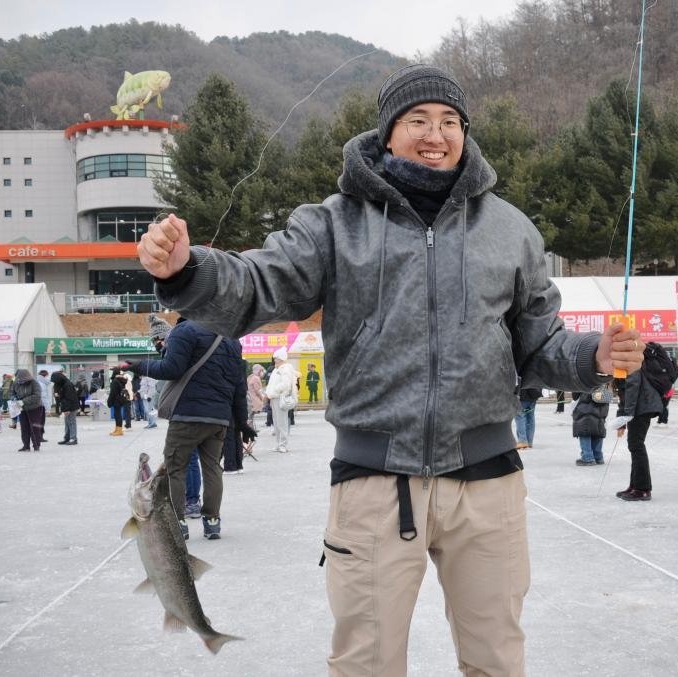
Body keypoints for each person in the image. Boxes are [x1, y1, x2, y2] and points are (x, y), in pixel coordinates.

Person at [136, 63, 643, 674]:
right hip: (373, 483)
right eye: (418, 121)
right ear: (387, 133)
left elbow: (539, 346)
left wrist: (592, 356)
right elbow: (258, 286)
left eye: (450, 121)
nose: (436, 134)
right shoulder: (332, 224)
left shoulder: (511, 231)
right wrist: (189, 270)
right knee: (365, 665)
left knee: (498, 662)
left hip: (487, 485)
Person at [123, 318, 256, 541]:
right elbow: (238, 385)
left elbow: (171, 368)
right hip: (218, 418)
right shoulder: (231, 338)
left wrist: (139, 365)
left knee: (176, 468)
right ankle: (212, 521)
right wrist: (242, 423)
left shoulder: (183, 331)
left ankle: (179, 522)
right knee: (213, 468)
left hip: (187, 414)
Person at [611, 368, 663, 501]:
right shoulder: (620, 367)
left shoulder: (630, 363)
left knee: (636, 445)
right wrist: (621, 421)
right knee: (634, 445)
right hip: (638, 408)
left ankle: (643, 489)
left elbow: (632, 389)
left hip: (643, 407)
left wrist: (626, 415)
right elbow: (623, 394)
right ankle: (634, 485)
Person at [264, 347, 299, 453]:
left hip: (280, 398)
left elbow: (285, 384)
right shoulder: (276, 369)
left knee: (282, 422)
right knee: (276, 422)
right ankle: (278, 444)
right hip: (274, 398)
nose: (274, 360)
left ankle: (283, 444)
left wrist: (272, 392)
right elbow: (271, 384)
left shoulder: (286, 368)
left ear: (281, 358)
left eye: (276, 358)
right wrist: (269, 395)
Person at [9, 369, 44, 452]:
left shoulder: (34, 383)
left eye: (21, 380)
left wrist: (23, 401)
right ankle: (26, 446)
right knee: (24, 427)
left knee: (34, 427)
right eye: (18, 380)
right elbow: (12, 392)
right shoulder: (16, 383)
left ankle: (36, 445)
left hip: (35, 408)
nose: (20, 382)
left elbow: (37, 396)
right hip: (22, 409)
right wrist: (13, 397)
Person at [572, 389, 608, 466]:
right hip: (603, 402)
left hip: (587, 406)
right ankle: (598, 457)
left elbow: (575, 396)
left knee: (585, 430)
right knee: (597, 429)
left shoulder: (584, 377)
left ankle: (588, 457)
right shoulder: (607, 377)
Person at [51, 370, 80, 445]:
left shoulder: (67, 385)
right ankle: (67, 438)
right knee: (67, 422)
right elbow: (59, 397)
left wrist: (66, 409)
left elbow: (69, 398)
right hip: (66, 405)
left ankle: (73, 439)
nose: (54, 383)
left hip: (71, 406)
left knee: (71, 422)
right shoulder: (60, 384)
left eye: (55, 382)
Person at [514, 386, 542, 450]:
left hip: (522, 395)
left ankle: (522, 441)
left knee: (520, 416)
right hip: (533, 394)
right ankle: (529, 441)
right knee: (530, 417)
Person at [106, 368, 132, 436]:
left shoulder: (115, 381)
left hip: (116, 400)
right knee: (117, 414)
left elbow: (113, 393)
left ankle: (119, 430)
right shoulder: (121, 380)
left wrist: (109, 401)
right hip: (120, 399)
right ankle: (117, 429)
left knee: (117, 415)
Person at [247, 364, 265, 429]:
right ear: (258, 371)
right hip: (253, 399)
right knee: (250, 416)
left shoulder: (251, 376)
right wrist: (262, 398)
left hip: (249, 399)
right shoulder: (256, 378)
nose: (263, 373)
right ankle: (250, 429)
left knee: (250, 416)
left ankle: (252, 429)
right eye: (262, 371)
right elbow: (258, 391)